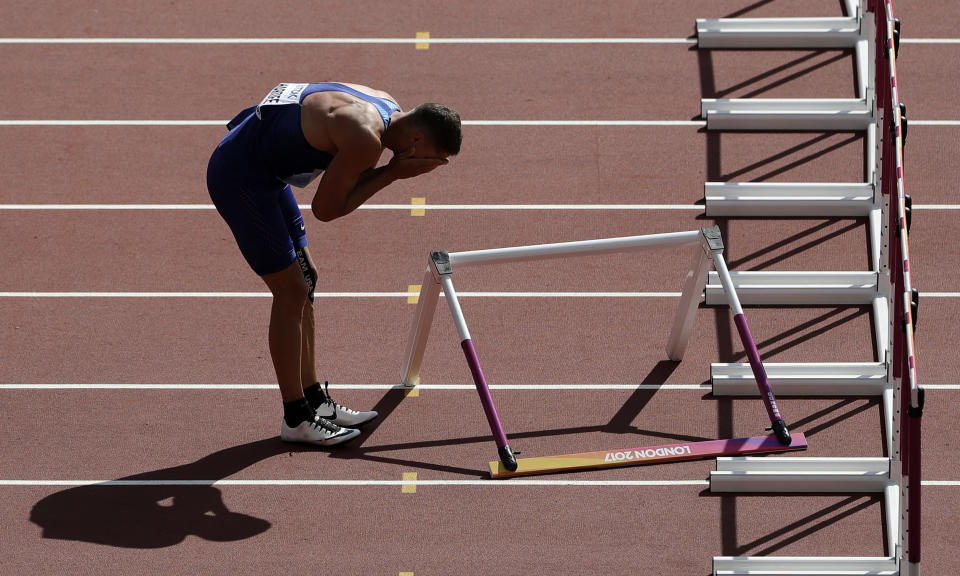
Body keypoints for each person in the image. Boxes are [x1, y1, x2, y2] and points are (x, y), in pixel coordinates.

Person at [206, 82, 461, 446]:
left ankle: (313, 400)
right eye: (428, 160)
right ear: (416, 142)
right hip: (240, 178)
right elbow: (326, 210)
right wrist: (393, 173)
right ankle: (295, 417)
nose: (424, 167)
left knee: (306, 280)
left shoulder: (385, 103)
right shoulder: (367, 139)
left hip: (263, 168)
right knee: (290, 291)